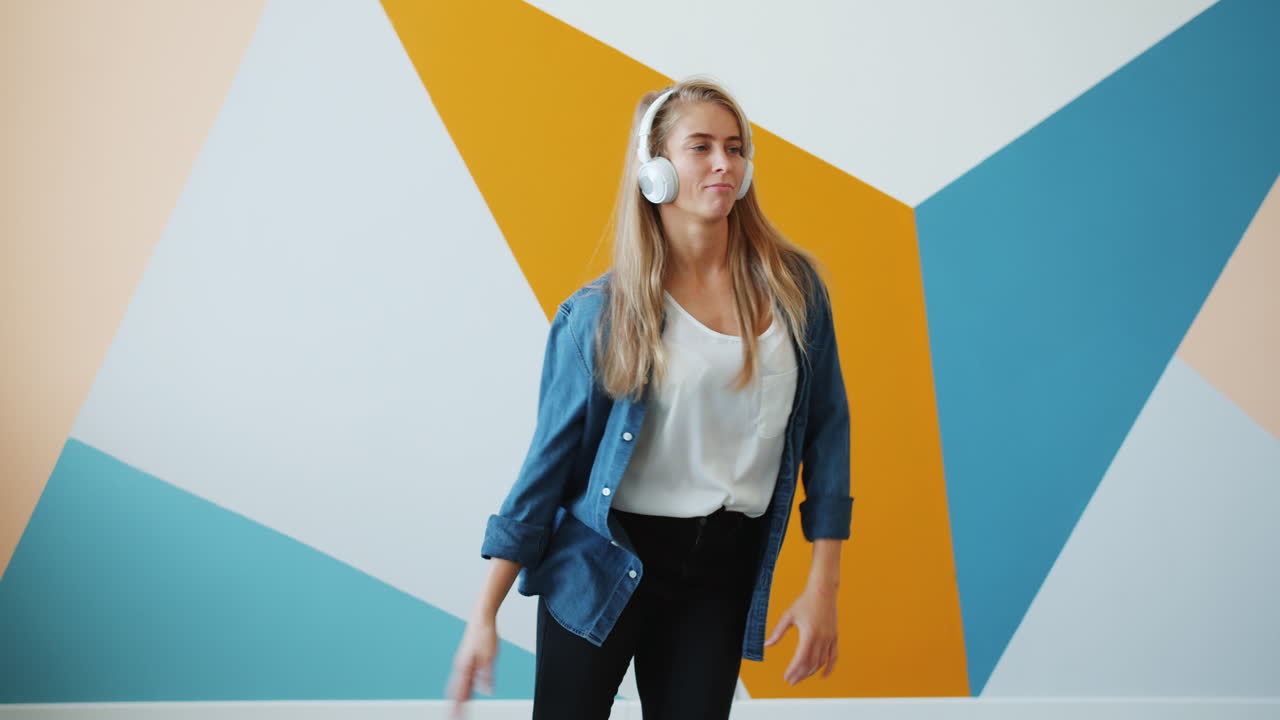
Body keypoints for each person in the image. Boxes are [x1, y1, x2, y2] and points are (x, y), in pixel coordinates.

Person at [448, 76, 853, 719]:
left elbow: (828, 433)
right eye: (701, 147)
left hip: (720, 571)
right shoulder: (600, 316)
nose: (724, 163)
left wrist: (822, 588)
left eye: (735, 148)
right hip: (603, 558)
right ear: (655, 171)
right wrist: (483, 613)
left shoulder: (793, 290)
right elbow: (544, 471)